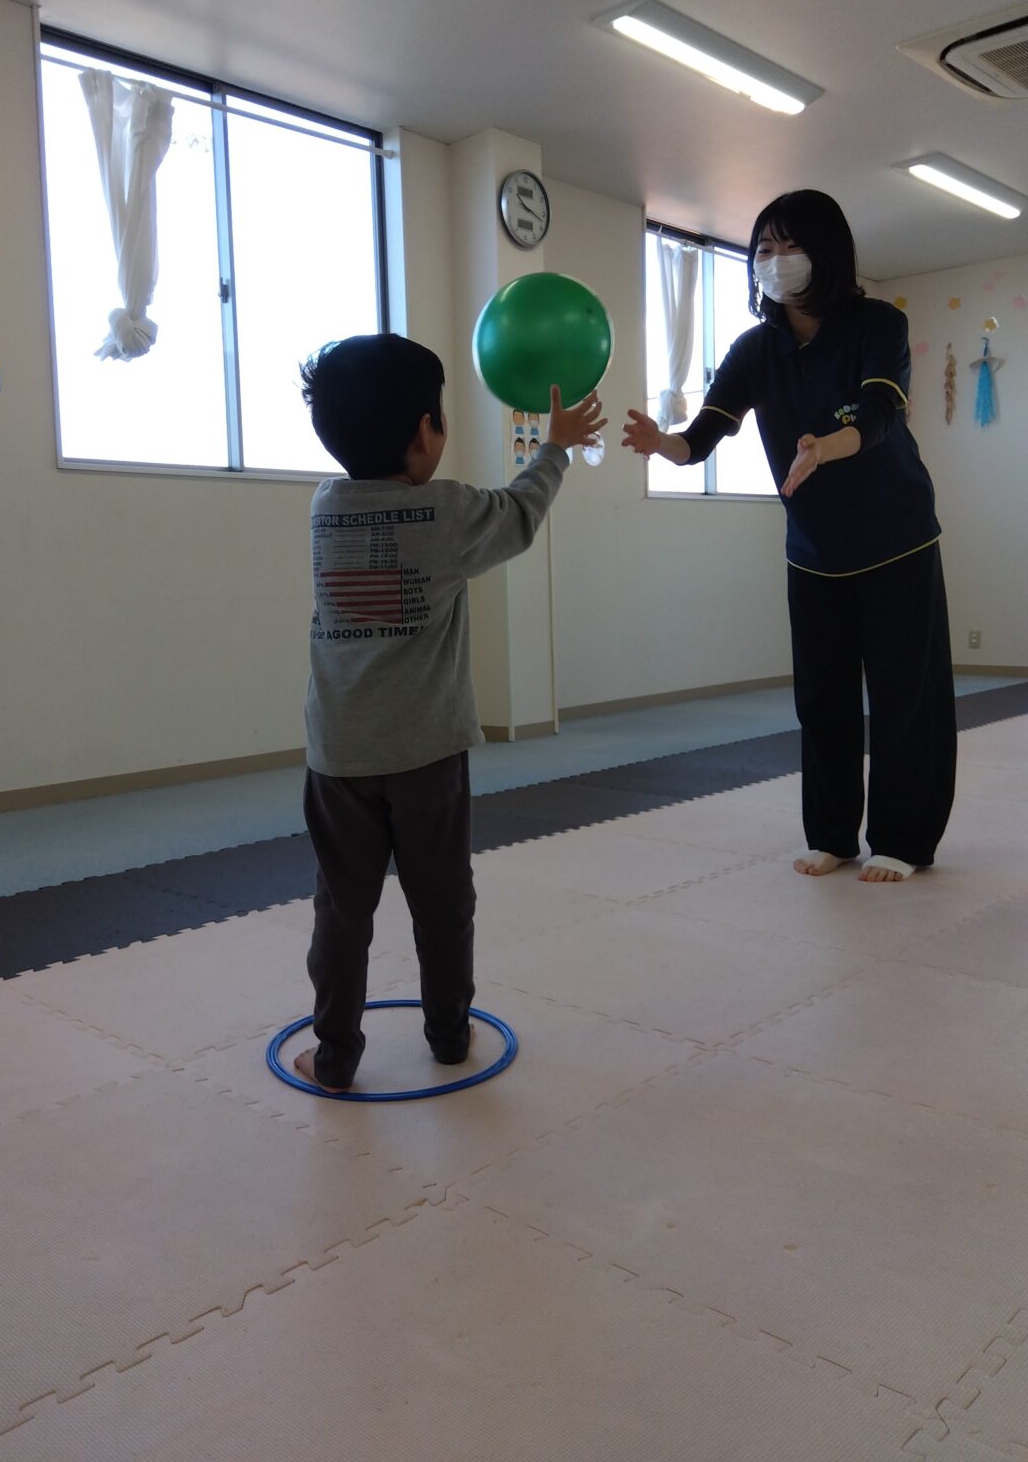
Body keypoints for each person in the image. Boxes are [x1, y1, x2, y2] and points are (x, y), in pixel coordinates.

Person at [298, 333, 605, 1090]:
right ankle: (447, 1036)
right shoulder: (446, 511)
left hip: (338, 756)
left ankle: (334, 1055)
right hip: (427, 755)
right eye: (439, 416)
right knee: (442, 904)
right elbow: (521, 513)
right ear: (423, 433)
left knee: (341, 910)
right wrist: (555, 447)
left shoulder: (325, 508)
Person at [623, 190, 955, 884]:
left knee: (905, 695)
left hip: (896, 539)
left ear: (825, 252)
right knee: (822, 698)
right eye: (763, 250)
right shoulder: (755, 349)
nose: (774, 261)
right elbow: (702, 436)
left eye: (790, 246)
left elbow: (881, 412)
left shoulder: (876, 325)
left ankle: (902, 839)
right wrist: (663, 444)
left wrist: (826, 447)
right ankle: (832, 835)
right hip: (814, 551)